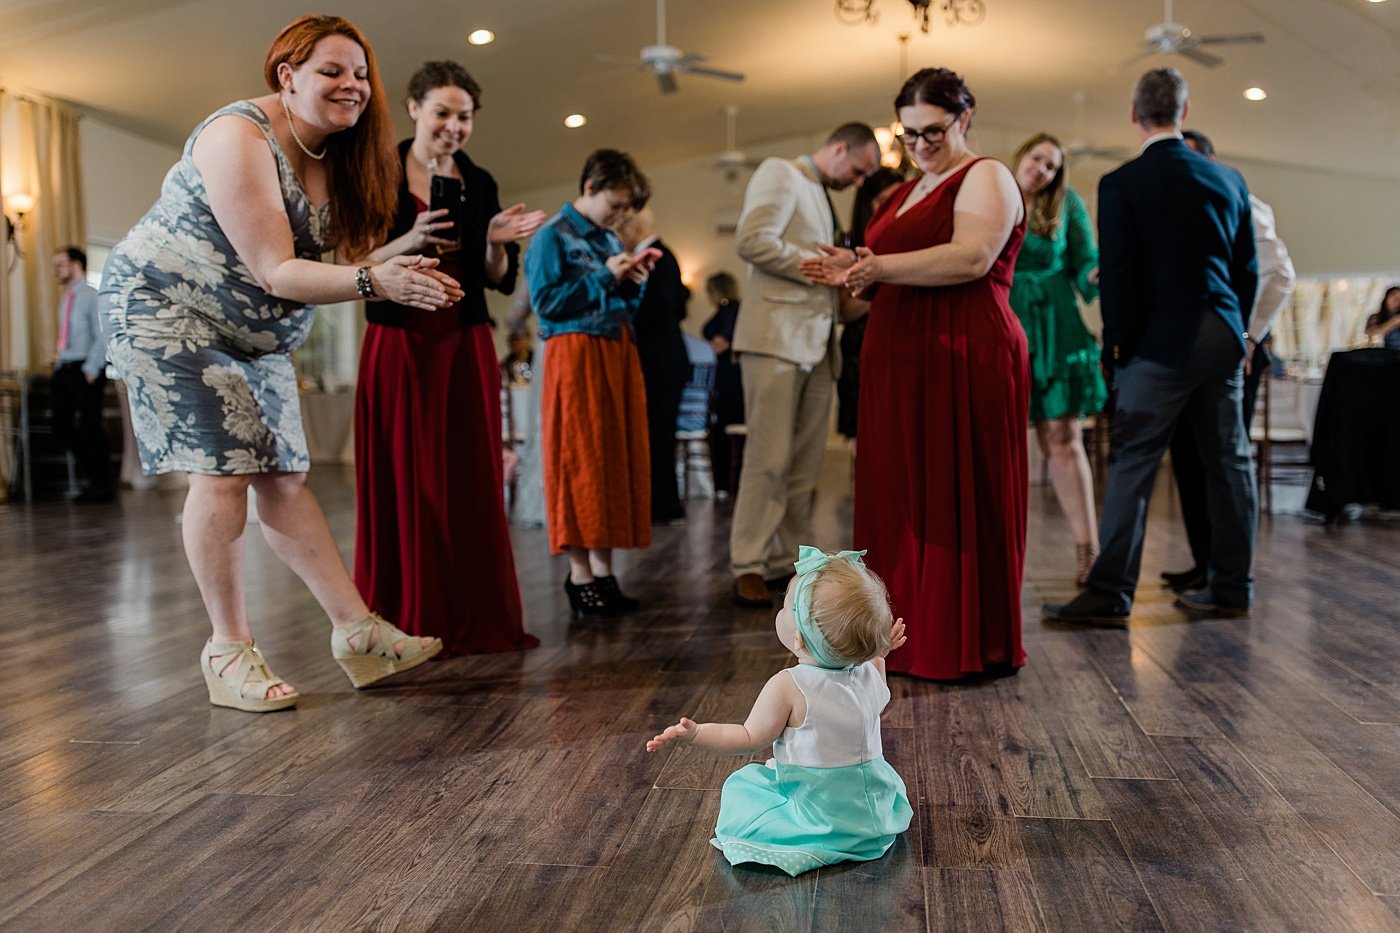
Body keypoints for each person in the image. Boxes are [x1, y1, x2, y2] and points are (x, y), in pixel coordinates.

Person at [101, 15, 450, 712]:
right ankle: (227, 650)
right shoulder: (238, 136)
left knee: (286, 477)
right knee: (223, 472)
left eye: (361, 74)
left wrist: (397, 261)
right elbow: (274, 268)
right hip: (169, 308)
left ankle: (357, 631)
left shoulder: (342, 155)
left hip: (257, 330)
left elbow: (343, 261)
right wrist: (375, 283)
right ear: (287, 76)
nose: (352, 86)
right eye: (332, 71)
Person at [802, 67, 1028, 680]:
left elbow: (972, 257)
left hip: (963, 351)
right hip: (898, 361)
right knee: (900, 496)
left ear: (965, 118)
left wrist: (876, 266)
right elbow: (883, 276)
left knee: (959, 494)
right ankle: (898, 638)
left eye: (933, 131)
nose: (920, 145)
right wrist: (851, 273)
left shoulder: (986, 175)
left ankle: (963, 641)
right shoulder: (901, 193)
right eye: (909, 135)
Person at [1043, 67, 1258, 625]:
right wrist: (1239, 333)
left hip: (1158, 343)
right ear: (1184, 112)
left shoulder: (1122, 183)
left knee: (1134, 463)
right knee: (1230, 462)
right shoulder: (1228, 178)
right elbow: (1247, 270)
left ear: (1134, 115)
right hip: (1220, 335)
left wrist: (1115, 353)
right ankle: (1233, 587)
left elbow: (1120, 275)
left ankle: (1110, 593)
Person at [353, 60, 543, 657]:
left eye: (464, 117)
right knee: (407, 475)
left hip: (462, 340)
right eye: (443, 113)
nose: (454, 126)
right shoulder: (377, 168)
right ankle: (405, 614)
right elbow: (355, 261)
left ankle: (468, 610)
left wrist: (493, 242)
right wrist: (411, 239)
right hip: (400, 341)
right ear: (414, 108)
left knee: (465, 477)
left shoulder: (479, 179)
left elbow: (497, 278)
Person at [646, 546, 912, 876]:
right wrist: (879, 651)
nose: (781, 609)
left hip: (820, 812)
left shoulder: (788, 685)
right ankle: (857, 836)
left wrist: (697, 733)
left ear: (798, 640)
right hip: (871, 813)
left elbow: (748, 737)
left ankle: (811, 840)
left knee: (742, 788)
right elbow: (875, 667)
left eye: (786, 607)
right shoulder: (870, 674)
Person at [729, 123, 882, 608]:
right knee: (768, 459)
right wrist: (823, 268)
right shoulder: (781, 172)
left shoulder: (822, 194)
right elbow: (752, 240)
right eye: (859, 169)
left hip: (819, 345)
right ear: (840, 148)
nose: (858, 181)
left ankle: (786, 560)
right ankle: (748, 562)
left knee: (804, 465)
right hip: (775, 338)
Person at [1161, 128, 1296, 593]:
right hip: (1187, 351)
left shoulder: (1244, 203)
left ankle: (1229, 574)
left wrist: (1247, 336)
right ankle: (1204, 563)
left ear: (1211, 161)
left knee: (1222, 459)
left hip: (1236, 350)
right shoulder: (1180, 212)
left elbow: (1280, 274)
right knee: (1187, 458)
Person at [524, 149, 656, 619]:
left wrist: (633, 282)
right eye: (615, 205)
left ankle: (603, 573)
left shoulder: (607, 238)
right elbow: (546, 303)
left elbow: (620, 304)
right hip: (575, 356)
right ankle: (580, 576)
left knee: (612, 464)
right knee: (579, 463)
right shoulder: (551, 236)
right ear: (590, 187)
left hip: (615, 350)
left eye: (625, 210)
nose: (619, 216)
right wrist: (605, 275)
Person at [1007, 133, 1108, 586]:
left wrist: (1098, 272)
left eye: (1052, 166)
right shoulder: (994, 194)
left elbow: (1084, 262)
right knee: (1000, 444)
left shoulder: (1067, 205)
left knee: (1063, 438)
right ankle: (999, 558)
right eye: (1037, 158)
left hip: (1056, 325)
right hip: (1004, 321)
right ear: (1021, 156)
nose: (1042, 170)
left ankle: (1089, 550)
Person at [618, 206, 691, 525]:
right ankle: (659, 502)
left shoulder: (655, 257)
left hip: (658, 360)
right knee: (659, 434)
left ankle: (660, 505)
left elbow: (658, 308)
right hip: (668, 357)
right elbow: (680, 306)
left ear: (633, 228)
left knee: (657, 435)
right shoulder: (668, 255)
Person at [836, 168, 906, 442]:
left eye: (899, 199)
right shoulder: (850, 247)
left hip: (905, 344)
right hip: (863, 345)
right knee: (866, 434)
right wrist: (886, 279)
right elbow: (845, 312)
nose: (893, 208)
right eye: (883, 200)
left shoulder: (912, 242)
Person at [50, 246, 114, 502]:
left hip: (85, 370)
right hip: (65, 367)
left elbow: (101, 334)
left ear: (76, 265)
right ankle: (96, 474)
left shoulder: (91, 296)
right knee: (60, 426)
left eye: (60, 265)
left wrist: (91, 368)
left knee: (90, 427)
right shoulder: (67, 298)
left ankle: (101, 483)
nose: (56, 271)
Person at [701, 271, 744, 497]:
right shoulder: (734, 310)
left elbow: (721, 343)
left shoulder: (729, 311)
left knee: (723, 430)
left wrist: (699, 351)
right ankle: (730, 481)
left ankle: (724, 482)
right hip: (733, 378)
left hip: (728, 379)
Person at [1364, 286, 1400, 350]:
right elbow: (1371, 336)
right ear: (1386, 297)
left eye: (1399, 298)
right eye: (1393, 295)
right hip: (1381, 353)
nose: (1396, 300)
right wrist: (1394, 322)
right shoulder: (1375, 318)